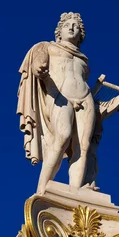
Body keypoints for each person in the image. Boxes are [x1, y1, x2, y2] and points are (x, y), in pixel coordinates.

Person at [17, 12, 96, 194]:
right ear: (59, 31)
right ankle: (42, 190)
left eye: (76, 26)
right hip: (60, 97)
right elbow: (37, 65)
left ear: (81, 35)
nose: (72, 28)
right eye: (67, 25)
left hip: (85, 98)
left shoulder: (83, 60)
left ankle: (76, 194)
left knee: (83, 147)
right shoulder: (47, 47)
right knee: (63, 136)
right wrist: (40, 70)